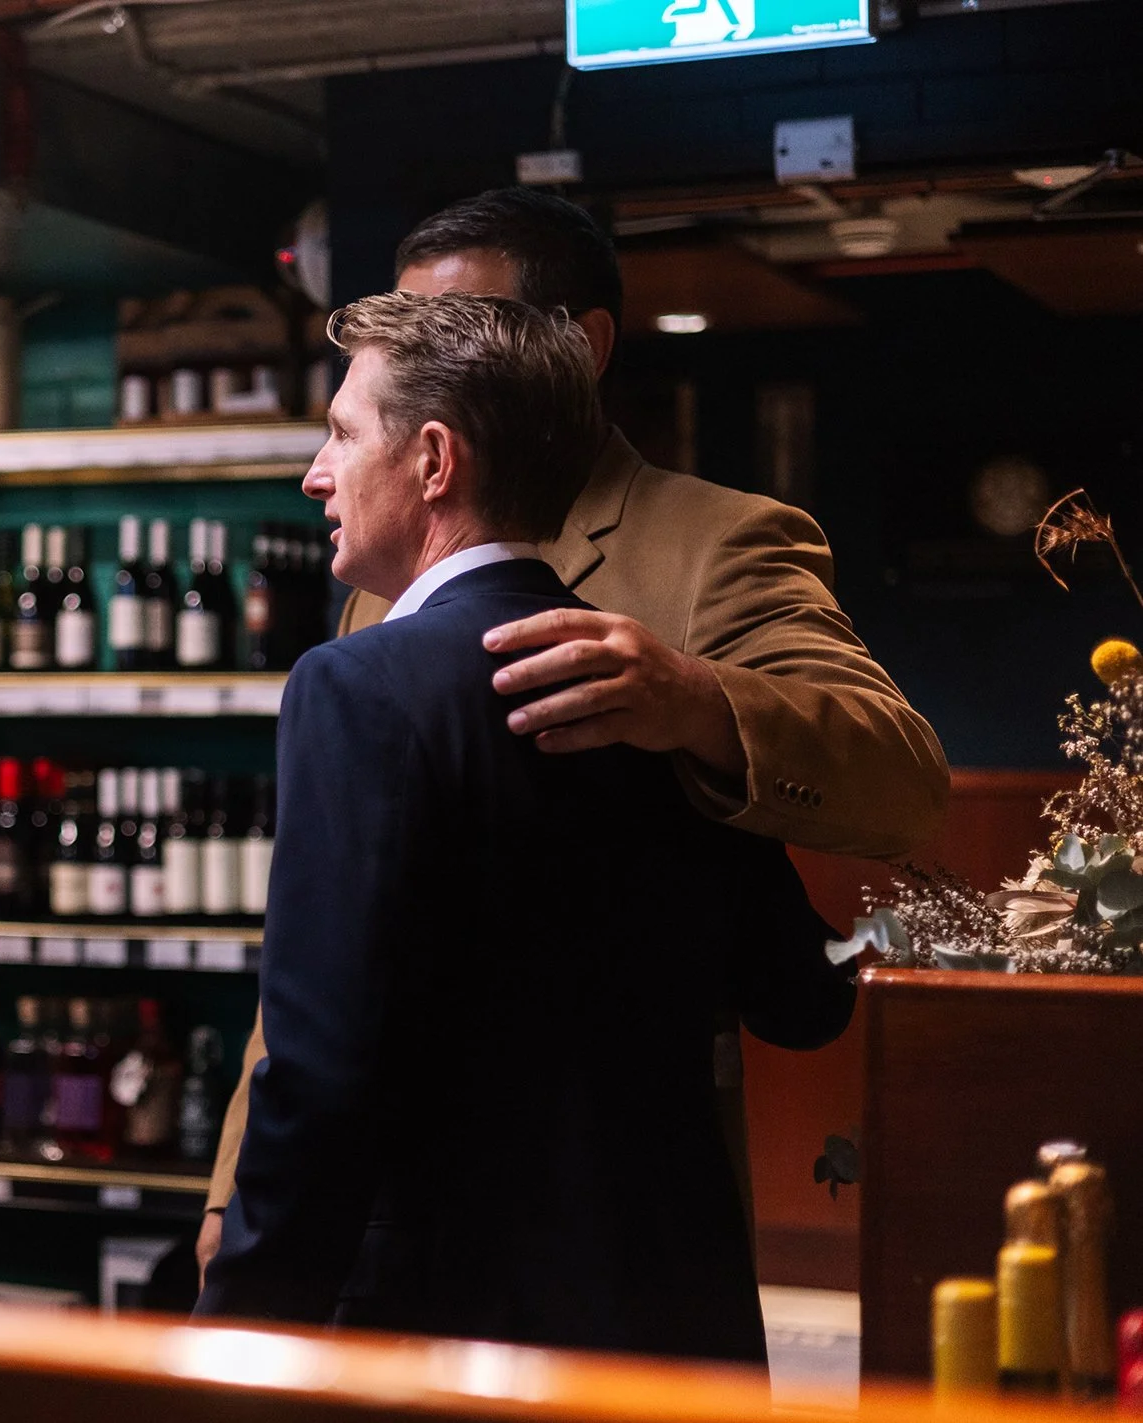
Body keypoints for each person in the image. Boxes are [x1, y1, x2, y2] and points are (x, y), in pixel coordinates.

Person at [198, 188, 949, 1271]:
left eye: (462, 325)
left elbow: (904, 780)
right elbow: (339, 931)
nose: (429, 356)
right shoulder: (379, 570)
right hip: (402, 1206)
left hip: (617, 1199)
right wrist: (236, 1186)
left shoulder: (720, 542)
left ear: (578, 345)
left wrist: (692, 699)